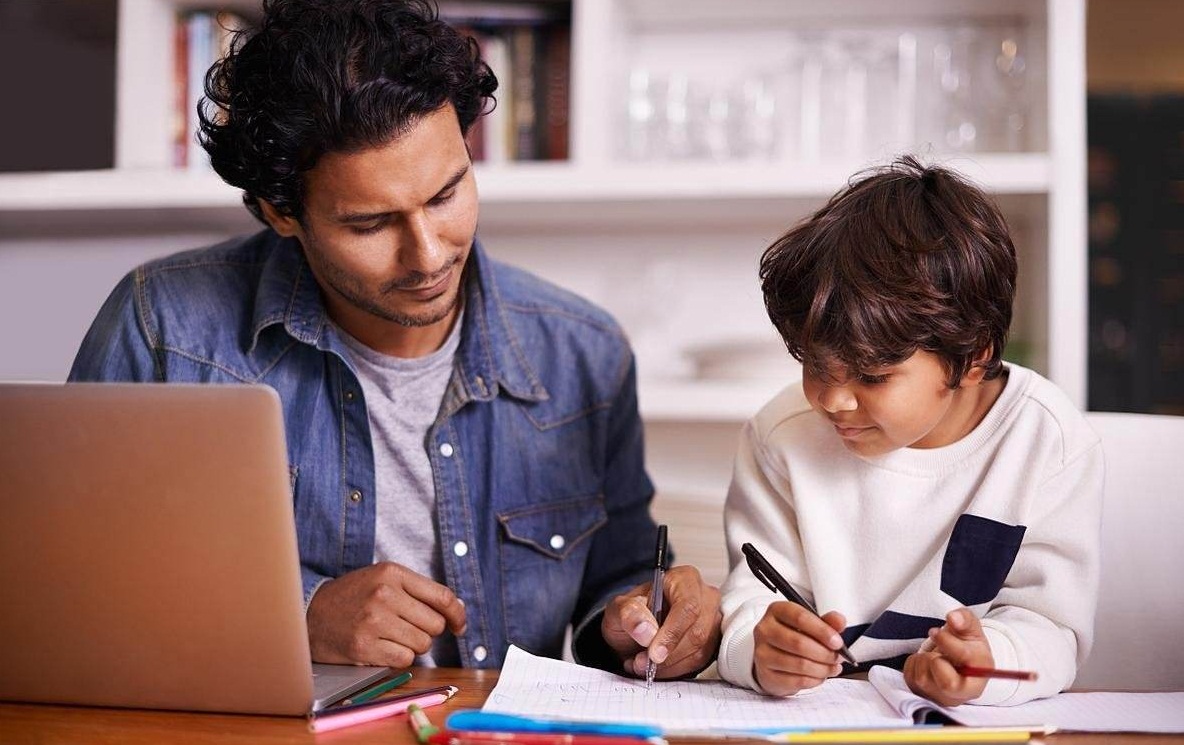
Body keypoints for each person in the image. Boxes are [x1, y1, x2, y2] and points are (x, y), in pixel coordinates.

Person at [69, 0, 720, 678]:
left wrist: (643, 622)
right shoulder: (163, 327)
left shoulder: (584, 353)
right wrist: (300, 614)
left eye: (445, 195)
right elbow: (70, 585)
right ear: (280, 213)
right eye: (371, 224)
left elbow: (612, 588)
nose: (428, 253)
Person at [716, 156, 1103, 707]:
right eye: (815, 365)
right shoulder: (782, 435)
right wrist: (757, 648)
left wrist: (991, 663)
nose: (833, 398)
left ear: (973, 358)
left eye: (872, 375)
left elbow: (1052, 627)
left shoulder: (1046, 441)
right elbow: (750, 599)